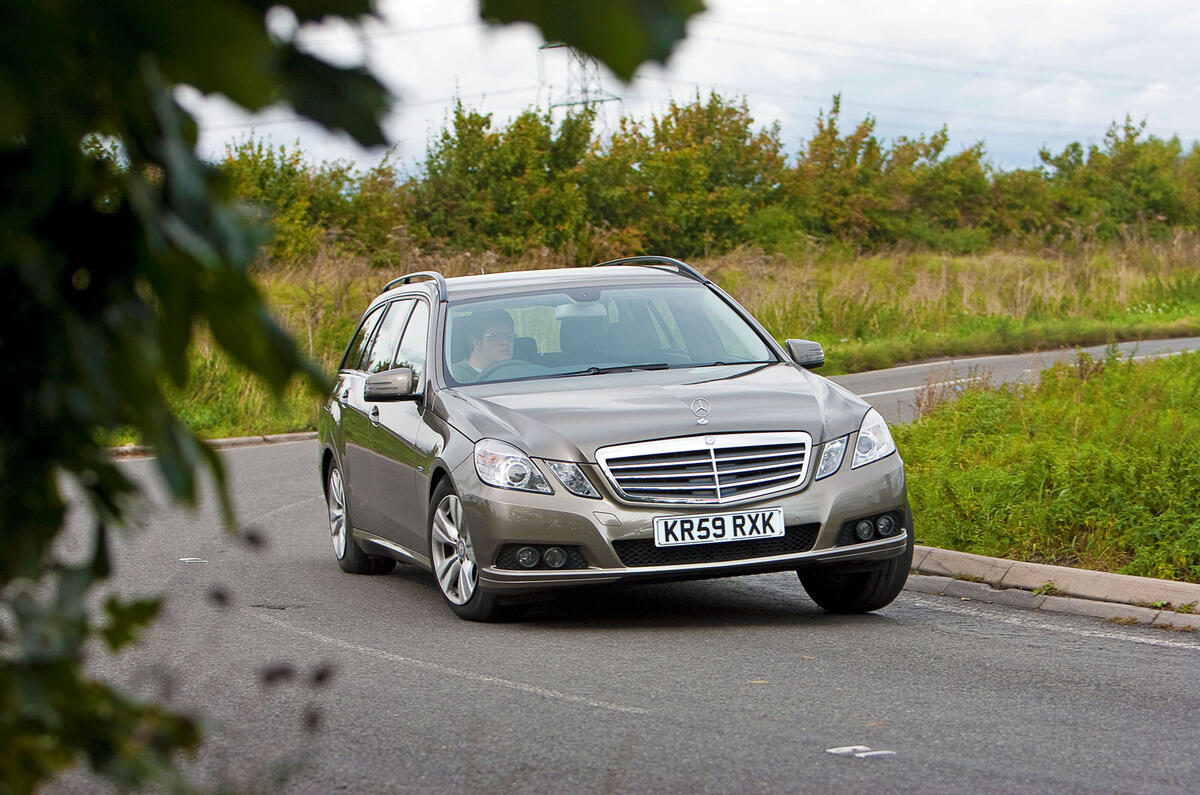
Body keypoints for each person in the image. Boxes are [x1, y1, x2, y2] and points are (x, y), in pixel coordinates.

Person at [450, 309, 515, 382]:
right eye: (496, 336)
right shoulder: (454, 376)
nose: (505, 342)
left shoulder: (518, 371)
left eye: (509, 335)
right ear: (477, 342)